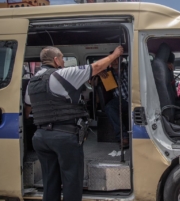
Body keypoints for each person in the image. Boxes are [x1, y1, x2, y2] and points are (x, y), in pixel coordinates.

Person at [24, 45, 123, 201]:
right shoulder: (63, 74)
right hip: (64, 137)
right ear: (56, 60)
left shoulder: (32, 82)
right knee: (71, 181)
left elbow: (28, 109)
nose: (63, 61)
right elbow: (96, 67)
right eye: (62, 58)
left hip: (40, 137)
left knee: (50, 181)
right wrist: (116, 54)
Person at [99, 54, 129, 148]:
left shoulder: (130, 67)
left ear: (121, 59)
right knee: (109, 107)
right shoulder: (108, 73)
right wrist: (99, 72)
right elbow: (92, 72)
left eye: (117, 59)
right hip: (120, 100)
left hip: (134, 98)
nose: (114, 62)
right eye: (112, 60)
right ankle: (123, 137)